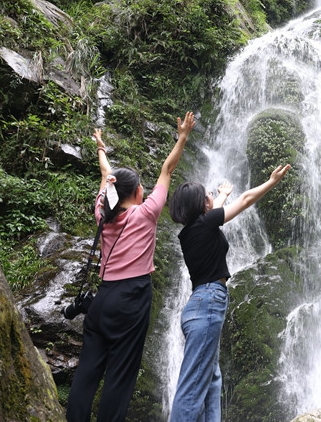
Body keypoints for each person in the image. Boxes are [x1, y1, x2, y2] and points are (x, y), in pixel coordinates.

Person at [66, 112, 196, 422]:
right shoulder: (147, 213)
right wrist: (182, 137)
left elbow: (106, 176)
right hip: (132, 299)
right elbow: (168, 168)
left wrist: (101, 148)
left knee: (87, 372)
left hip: (102, 298)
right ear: (138, 193)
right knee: (120, 375)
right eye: (141, 187)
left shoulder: (102, 215)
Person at [168, 163, 291, 421]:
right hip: (208, 303)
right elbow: (245, 200)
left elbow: (215, 212)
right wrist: (271, 181)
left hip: (198, 306)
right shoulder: (206, 222)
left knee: (212, 379)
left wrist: (223, 194)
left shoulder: (190, 232)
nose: (212, 197)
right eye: (208, 195)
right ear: (203, 206)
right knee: (192, 387)